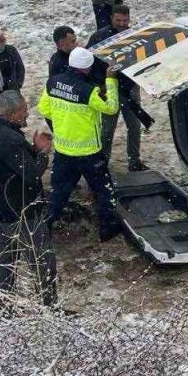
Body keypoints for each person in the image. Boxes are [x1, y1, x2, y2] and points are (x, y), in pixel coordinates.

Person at [0, 90, 60, 314]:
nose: (26, 114)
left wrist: (31, 149)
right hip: (19, 209)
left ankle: (3, 307)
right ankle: (51, 309)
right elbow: (31, 173)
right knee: (42, 258)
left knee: (6, 258)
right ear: (11, 114)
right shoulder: (9, 138)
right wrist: (43, 152)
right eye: (23, 110)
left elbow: (12, 164)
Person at [38, 46, 126, 242]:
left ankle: (44, 228)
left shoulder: (52, 83)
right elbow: (111, 108)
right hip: (89, 152)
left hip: (63, 151)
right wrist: (111, 80)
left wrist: (63, 123)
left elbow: (44, 107)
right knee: (103, 190)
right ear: (87, 68)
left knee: (59, 192)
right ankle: (107, 229)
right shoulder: (89, 91)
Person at [88, 4, 147, 172]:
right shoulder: (99, 37)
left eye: (125, 20)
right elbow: (89, 63)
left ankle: (134, 161)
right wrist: (99, 84)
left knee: (134, 126)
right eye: (118, 20)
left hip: (130, 89)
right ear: (111, 18)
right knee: (107, 130)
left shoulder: (135, 36)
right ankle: (103, 162)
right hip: (108, 89)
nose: (122, 23)